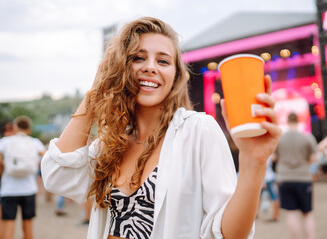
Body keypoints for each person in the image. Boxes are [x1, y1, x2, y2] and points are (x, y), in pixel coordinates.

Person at [40, 17, 281, 239]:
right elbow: (57, 176)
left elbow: (229, 233)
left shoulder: (198, 131)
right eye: (138, 58)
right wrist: (98, 86)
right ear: (121, 68)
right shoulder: (111, 142)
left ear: (175, 76)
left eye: (163, 61)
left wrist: (253, 161)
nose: (150, 67)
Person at [273, 112, 318, 239]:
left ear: (287, 121)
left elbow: (274, 157)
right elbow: (315, 157)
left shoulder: (280, 138)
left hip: (284, 178)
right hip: (303, 178)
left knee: (291, 214)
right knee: (307, 213)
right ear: (298, 121)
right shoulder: (307, 137)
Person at [0, 116, 46, 239]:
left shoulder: (5, 141)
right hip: (29, 189)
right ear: (29, 129)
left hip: (9, 189)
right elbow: (46, 157)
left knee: (9, 223)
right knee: (28, 225)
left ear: (15, 128)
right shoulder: (35, 142)